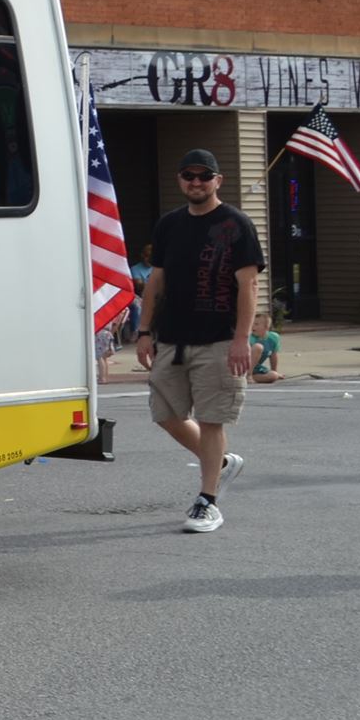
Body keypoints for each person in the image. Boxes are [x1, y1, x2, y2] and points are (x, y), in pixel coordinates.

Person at [132, 149, 260, 534]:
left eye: (205, 176)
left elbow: (249, 284)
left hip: (218, 341)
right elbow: (157, 281)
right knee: (167, 415)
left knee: (210, 420)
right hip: (171, 340)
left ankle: (208, 502)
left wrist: (241, 339)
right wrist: (144, 332)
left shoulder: (236, 224)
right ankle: (218, 462)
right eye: (189, 175)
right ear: (180, 180)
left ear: (218, 181)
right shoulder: (170, 224)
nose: (196, 182)